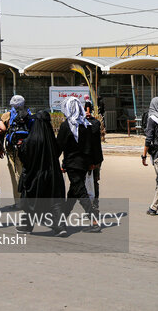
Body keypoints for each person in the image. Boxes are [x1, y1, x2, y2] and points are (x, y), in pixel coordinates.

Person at [17, 111, 67, 237]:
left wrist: (21, 146)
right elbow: (57, 152)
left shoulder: (31, 140)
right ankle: (59, 226)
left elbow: (24, 156)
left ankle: (27, 225)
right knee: (54, 201)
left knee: (31, 200)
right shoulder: (51, 139)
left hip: (35, 175)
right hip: (52, 174)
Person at [57, 97, 100, 232]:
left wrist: (57, 161)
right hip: (84, 164)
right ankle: (62, 219)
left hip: (72, 165)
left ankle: (94, 221)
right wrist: (92, 162)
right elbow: (91, 146)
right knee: (74, 192)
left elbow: (59, 146)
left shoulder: (66, 125)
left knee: (81, 192)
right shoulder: (86, 124)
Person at [1, 95, 31, 208]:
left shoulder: (7, 115)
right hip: (26, 148)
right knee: (26, 172)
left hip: (13, 150)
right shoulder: (28, 114)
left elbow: (2, 131)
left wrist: (0, 148)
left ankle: (19, 202)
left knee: (16, 174)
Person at [85, 102, 104, 210]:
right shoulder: (81, 123)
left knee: (94, 181)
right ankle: (89, 205)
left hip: (95, 158)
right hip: (89, 157)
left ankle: (94, 205)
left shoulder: (95, 123)